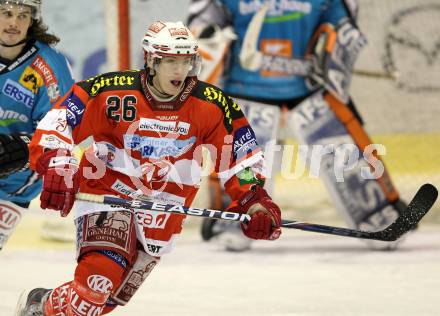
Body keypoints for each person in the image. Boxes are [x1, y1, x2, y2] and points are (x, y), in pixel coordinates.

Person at [15, 20, 282, 315]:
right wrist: (58, 162)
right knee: (96, 286)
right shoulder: (109, 90)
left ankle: (43, 304)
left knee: (105, 302)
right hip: (108, 194)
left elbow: (241, 162)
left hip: (165, 209)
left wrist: (255, 200)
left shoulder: (214, 105)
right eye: (170, 61)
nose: (180, 71)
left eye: (186, 61)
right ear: (151, 60)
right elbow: (59, 123)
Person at [188, 0, 407, 251]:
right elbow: (200, 30)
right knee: (241, 161)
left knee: (344, 154)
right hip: (245, 90)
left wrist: (334, 57)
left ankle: (378, 213)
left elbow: (343, 28)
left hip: (306, 89)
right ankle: (231, 221)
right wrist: (209, 40)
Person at [0, 0, 74, 250]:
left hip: (14, 185)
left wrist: (21, 149)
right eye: (6, 14)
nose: (13, 23)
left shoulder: (50, 66)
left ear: (32, 20)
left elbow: (58, 132)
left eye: (22, 16)